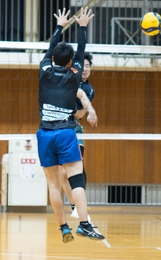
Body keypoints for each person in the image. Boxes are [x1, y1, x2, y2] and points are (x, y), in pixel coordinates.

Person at [37, 7, 103, 243]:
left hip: (44, 134)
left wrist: (59, 26)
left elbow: (49, 50)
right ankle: (84, 224)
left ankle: (64, 227)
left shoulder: (44, 69)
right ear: (70, 63)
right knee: (76, 178)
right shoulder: (73, 75)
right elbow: (81, 51)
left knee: (53, 184)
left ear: (54, 58)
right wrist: (82, 26)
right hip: (66, 132)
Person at [68, 52, 98, 220]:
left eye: (88, 66)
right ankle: (75, 205)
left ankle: (79, 205)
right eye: (83, 66)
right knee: (62, 172)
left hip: (75, 129)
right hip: (61, 128)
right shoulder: (69, 80)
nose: (85, 69)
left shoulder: (89, 89)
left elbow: (80, 113)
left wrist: (86, 111)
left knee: (78, 166)